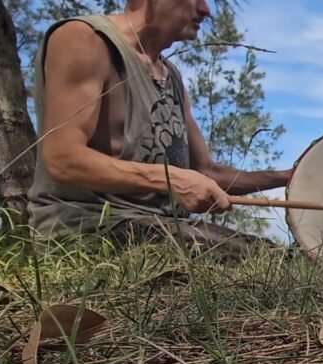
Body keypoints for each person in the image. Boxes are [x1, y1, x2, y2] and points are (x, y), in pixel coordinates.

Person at [26, 0, 291, 255]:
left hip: (164, 229)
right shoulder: (84, 38)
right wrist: (172, 179)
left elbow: (205, 171)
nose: (206, 9)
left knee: (279, 258)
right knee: (266, 262)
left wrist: (289, 177)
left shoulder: (170, 74)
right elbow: (62, 159)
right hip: (88, 228)